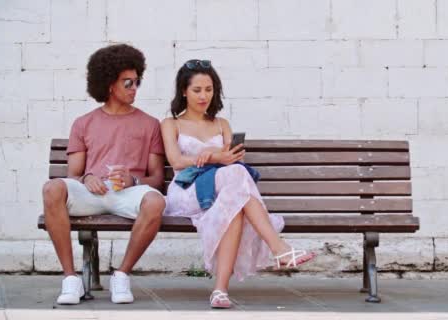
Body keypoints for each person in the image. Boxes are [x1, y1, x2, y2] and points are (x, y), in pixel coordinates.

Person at [161, 59, 316, 309]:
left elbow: (230, 161)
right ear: (183, 91)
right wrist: (212, 155)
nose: (203, 96)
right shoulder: (171, 124)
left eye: (209, 89)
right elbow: (176, 161)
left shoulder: (222, 124)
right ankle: (278, 247)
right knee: (236, 179)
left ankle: (220, 292)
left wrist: (228, 157)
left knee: (234, 196)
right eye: (197, 90)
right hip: (188, 192)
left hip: (223, 190)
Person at [42, 44, 166, 305]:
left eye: (137, 81)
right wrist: (87, 178)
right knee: (52, 188)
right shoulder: (83, 123)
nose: (135, 88)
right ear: (110, 84)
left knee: (155, 201)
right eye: (128, 82)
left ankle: (122, 274)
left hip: (129, 192)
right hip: (91, 191)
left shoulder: (150, 124)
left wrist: (134, 180)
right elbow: (73, 174)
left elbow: (156, 179)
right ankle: (70, 279)